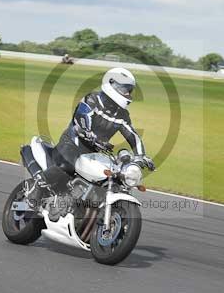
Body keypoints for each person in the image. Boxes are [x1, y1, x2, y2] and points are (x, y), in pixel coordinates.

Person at [25, 68, 154, 210]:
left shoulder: (122, 115)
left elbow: (132, 135)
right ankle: (38, 186)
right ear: (111, 84)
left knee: (111, 178)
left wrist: (141, 156)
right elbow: (82, 116)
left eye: (129, 90)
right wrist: (88, 133)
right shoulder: (92, 99)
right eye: (125, 89)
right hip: (73, 142)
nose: (128, 94)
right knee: (66, 166)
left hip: (95, 152)